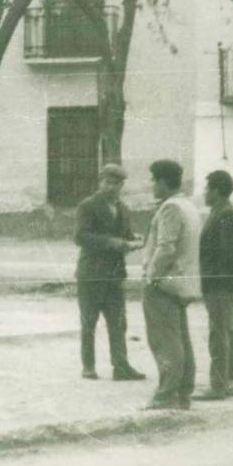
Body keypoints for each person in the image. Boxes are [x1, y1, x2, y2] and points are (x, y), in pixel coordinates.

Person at [74, 163, 146, 381]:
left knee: (118, 323)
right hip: (91, 274)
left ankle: (121, 366)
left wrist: (134, 239)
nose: (110, 187)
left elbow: (124, 233)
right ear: (100, 182)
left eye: (115, 183)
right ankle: (89, 367)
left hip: (114, 275)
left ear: (122, 185)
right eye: (107, 182)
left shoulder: (123, 209)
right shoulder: (87, 206)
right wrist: (114, 243)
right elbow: (81, 237)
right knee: (89, 322)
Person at [141, 159, 202, 411]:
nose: (151, 184)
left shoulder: (170, 208)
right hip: (181, 283)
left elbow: (166, 248)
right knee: (180, 340)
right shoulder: (188, 205)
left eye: (153, 179)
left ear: (164, 182)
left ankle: (166, 396)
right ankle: (183, 394)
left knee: (165, 341)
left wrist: (152, 276)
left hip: (164, 284)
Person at [195, 169, 233, 401]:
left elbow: (226, 253)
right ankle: (228, 382)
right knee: (226, 332)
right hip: (225, 281)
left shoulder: (225, 214)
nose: (204, 193)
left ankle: (218, 385)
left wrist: (208, 276)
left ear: (216, 190)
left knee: (219, 334)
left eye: (207, 188)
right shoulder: (222, 212)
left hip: (222, 284)